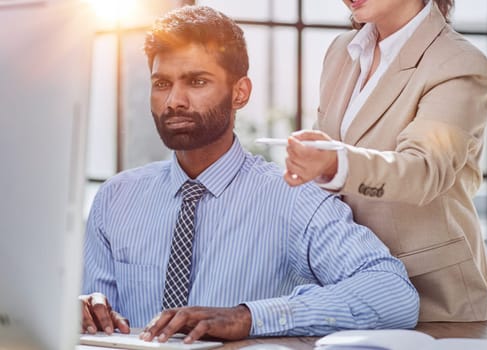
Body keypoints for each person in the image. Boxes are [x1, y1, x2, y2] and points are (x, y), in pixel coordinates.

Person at [79, 5, 419, 344]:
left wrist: (249, 317)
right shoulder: (116, 198)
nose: (174, 101)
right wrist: (81, 312)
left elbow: (392, 293)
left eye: (197, 81)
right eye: (162, 83)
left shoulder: (293, 199)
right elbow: (99, 323)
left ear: (240, 93)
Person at [283, 0, 487, 322]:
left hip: (430, 296)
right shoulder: (342, 50)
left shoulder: (459, 63)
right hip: (345, 283)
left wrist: (334, 164)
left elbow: (425, 170)